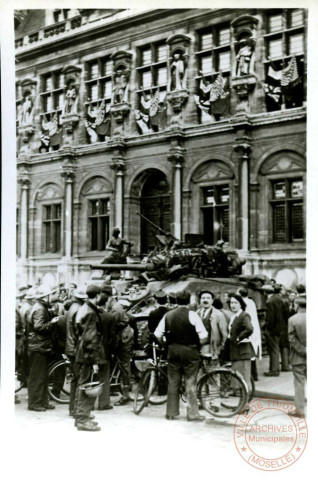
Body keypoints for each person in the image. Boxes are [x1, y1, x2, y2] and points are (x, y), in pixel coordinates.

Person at [155, 290, 208, 422]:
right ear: (189, 301)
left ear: (176, 300)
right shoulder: (193, 315)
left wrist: (166, 345)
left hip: (173, 351)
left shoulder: (168, 315)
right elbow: (204, 336)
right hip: (190, 351)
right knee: (190, 382)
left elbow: (157, 334)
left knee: (173, 381)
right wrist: (196, 344)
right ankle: (192, 414)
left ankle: (171, 412)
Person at [75, 284, 106, 431]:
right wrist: (94, 361)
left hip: (84, 352)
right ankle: (83, 419)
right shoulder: (91, 313)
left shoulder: (84, 308)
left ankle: (80, 415)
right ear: (98, 295)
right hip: (89, 354)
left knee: (83, 384)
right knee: (88, 385)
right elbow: (91, 339)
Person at [27, 285, 59, 412]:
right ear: (46, 296)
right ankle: (35, 403)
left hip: (39, 346)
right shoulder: (40, 309)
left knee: (42, 376)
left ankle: (42, 402)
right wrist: (52, 323)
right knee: (38, 376)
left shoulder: (38, 307)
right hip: (39, 346)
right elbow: (39, 326)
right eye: (51, 294)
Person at [65, 287, 87, 417]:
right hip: (76, 348)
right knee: (80, 379)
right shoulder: (79, 309)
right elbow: (79, 330)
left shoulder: (72, 307)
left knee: (75, 379)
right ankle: (77, 409)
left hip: (71, 347)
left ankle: (73, 408)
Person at [228, 293, 254, 398]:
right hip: (236, 351)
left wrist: (239, 338)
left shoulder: (244, 315)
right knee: (239, 378)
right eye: (231, 303)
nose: (233, 305)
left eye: (235, 303)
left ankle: (245, 404)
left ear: (241, 304)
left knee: (244, 379)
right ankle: (242, 404)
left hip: (242, 351)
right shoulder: (235, 316)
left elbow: (249, 328)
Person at [196, 290, 228, 368]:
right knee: (200, 374)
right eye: (203, 298)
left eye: (208, 298)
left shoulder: (218, 315)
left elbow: (224, 335)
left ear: (212, 300)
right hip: (198, 349)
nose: (205, 300)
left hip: (212, 349)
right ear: (200, 300)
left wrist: (219, 349)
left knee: (214, 373)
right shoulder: (197, 313)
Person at [237, 287, 262, 381]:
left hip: (248, 329)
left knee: (248, 353)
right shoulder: (250, 302)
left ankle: (251, 376)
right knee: (252, 353)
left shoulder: (244, 303)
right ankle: (254, 375)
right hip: (253, 328)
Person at [288, 297, 306, 418]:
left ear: (297, 305)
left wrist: (303, 351)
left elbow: (291, 339)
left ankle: (300, 409)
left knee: (299, 383)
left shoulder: (292, 319)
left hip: (298, 357)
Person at [262, 284, 285, 376]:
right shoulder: (278, 299)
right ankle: (273, 369)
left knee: (273, 349)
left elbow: (270, 318)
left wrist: (267, 328)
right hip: (279, 328)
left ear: (264, 292)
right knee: (275, 348)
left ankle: (274, 370)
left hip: (272, 329)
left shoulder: (269, 301)